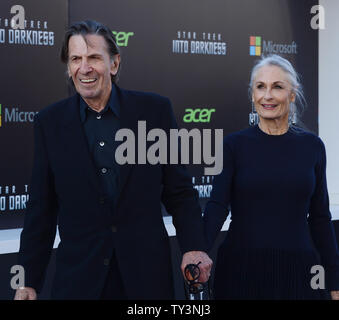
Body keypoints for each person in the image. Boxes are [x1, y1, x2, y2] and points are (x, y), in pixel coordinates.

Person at [14, 20, 212, 300]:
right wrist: (27, 280)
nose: (85, 68)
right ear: (69, 67)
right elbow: (40, 210)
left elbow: (179, 192)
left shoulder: (154, 112)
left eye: (94, 57)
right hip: (79, 281)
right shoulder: (50, 123)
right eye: (75, 59)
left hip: (146, 279)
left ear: (114, 63)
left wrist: (194, 247)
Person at [203, 54, 339, 300]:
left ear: (293, 93)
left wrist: (334, 281)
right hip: (241, 270)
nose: (267, 95)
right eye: (260, 87)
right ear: (252, 94)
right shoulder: (233, 146)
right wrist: (197, 252)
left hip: (299, 271)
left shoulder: (312, 146)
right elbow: (217, 207)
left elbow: (320, 217)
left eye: (277, 87)